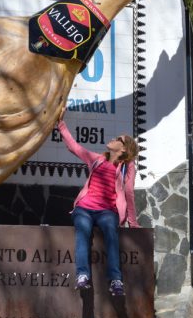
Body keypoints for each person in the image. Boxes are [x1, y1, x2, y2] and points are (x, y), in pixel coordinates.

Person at [57, 111, 139, 296]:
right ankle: (82, 276)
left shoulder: (125, 167)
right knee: (83, 232)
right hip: (84, 208)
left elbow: (129, 192)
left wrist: (132, 222)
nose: (113, 138)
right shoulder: (96, 160)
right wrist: (61, 124)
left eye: (119, 139)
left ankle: (116, 280)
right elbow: (74, 147)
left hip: (107, 211)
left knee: (111, 232)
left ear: (124, 149)